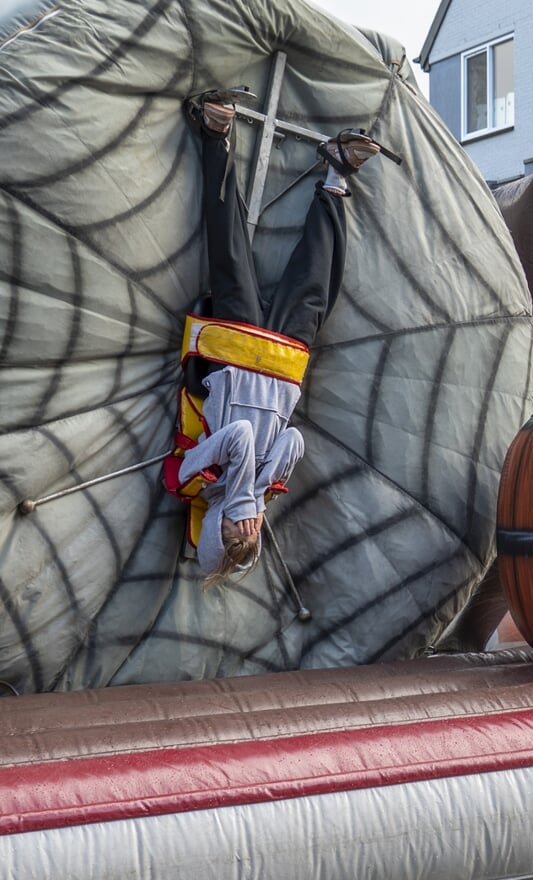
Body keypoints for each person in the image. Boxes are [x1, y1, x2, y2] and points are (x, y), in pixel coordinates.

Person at [164, 86, 386, 583]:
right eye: (251, 535)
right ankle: (335, 174)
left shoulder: (192, 481)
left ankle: (214, 132)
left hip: (236, 353)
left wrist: (242, 495)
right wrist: (263, 490)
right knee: (317, 279)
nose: (247, 528)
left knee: (230, 249)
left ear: (218, 526)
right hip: (283, 363)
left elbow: (239, 435)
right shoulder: (255, 491)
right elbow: (293, 441)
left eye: (234, 532)